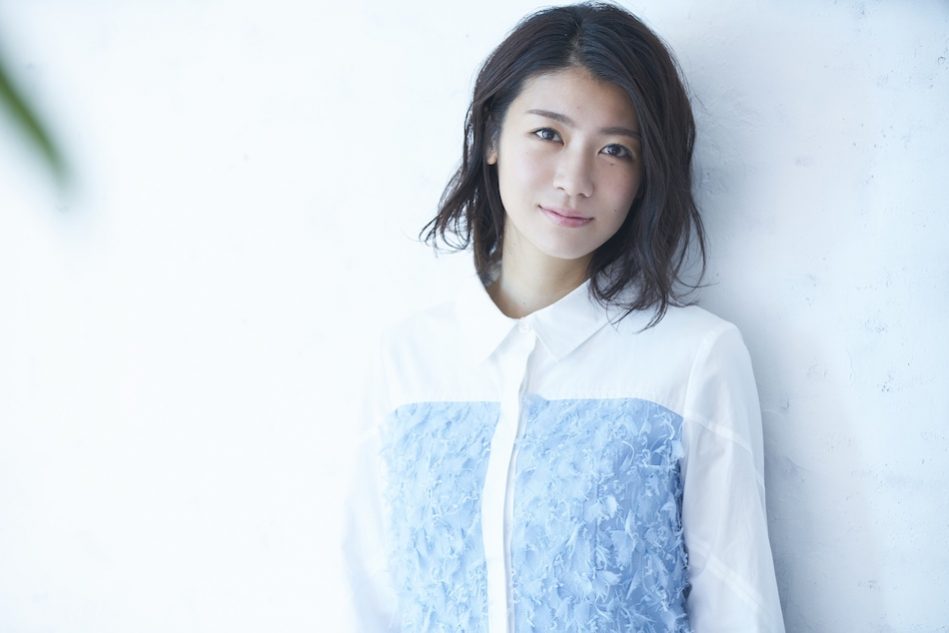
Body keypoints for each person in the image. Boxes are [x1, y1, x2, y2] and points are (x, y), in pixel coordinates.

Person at [343, 3, 784, 631]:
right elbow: (365, 597)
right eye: (548, 134)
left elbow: (738, 607)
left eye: (615, 150)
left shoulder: (695, 357)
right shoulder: (407, 358)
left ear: (645, 174)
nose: (575, 180)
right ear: (491, 138)